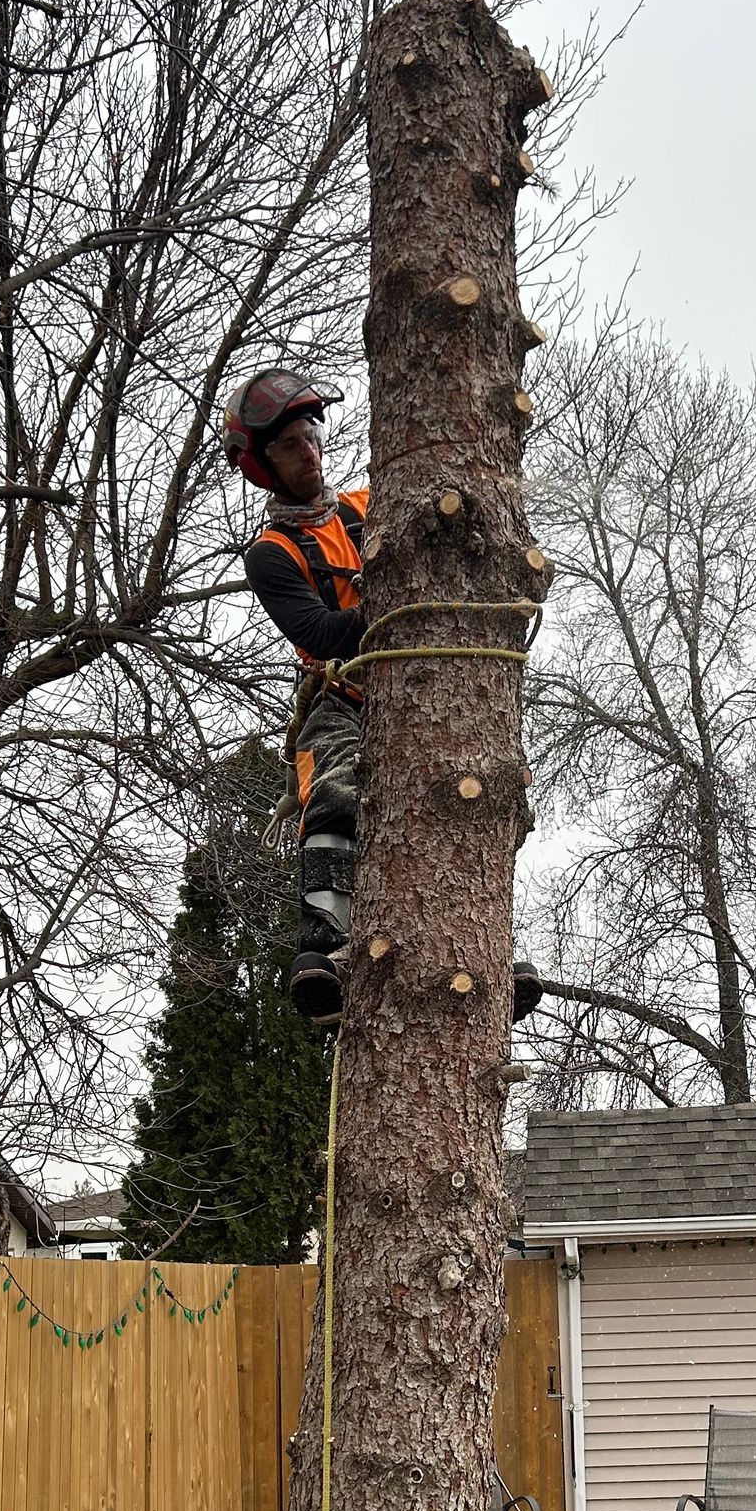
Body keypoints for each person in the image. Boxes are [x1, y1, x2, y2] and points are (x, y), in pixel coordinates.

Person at [225, 367, 542, 1026]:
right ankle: (324, 944)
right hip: (339, 695)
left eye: (308, 436)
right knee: (335, 792)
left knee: (482, 794)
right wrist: (393, 600)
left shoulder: (371, 505)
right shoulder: (272, 553)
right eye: (288, 446)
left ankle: (485, 942)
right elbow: (319, 631)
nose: (307, 452)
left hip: (422, 687)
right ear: (264, 465)